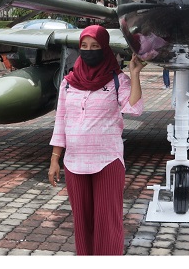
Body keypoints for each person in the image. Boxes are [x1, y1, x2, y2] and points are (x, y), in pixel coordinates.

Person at [47, 25, 145, 255]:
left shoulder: (116, 79)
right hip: (74, 162)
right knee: (82, 224)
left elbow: (134, 108)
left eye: (95, 46)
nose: (89, 51)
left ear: (105, 48)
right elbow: (60, 119)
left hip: (107, 161)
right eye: (84, 46)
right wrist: (55, 159)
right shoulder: (69, 82)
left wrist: (135, 74)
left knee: (107, 224)